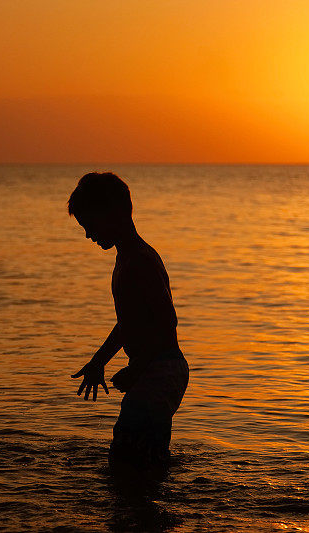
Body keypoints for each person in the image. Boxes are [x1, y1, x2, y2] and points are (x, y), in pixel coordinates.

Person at [68, 172, 189, 472]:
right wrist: (99, 361)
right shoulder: (126, 259)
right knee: (145, 459)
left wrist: (138, 369)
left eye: (90, 224)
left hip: (160, 370)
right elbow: (128, 323)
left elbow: (166, 320)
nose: (88, 235)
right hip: (157, 369)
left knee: (127, 458)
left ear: (114, 213)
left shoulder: (139, 260)